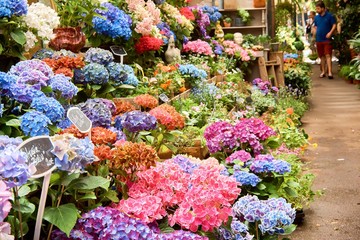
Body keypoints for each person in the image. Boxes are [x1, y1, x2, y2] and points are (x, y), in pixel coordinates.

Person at [314, 1, 337, 79]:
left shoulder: (329, 16)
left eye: (318, 8)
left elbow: (334, 24)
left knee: (328, 55)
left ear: (323, 8)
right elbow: (316, 26)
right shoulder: (316, 17)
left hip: (327, 39)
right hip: (318, 39)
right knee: (321, 57)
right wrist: (314, 33)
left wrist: (330, 33)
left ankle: (330, 72)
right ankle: (323, 72)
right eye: (316, 9)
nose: (317, 10)